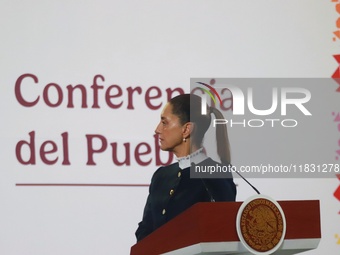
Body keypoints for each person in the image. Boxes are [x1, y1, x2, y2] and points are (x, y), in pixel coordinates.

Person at [135, 93, 236, 242]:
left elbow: (220, 234)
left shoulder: (215, 174)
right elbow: (145, 229)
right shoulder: (161, 175)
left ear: (186, 129)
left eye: (165, 122)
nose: (157, 129)